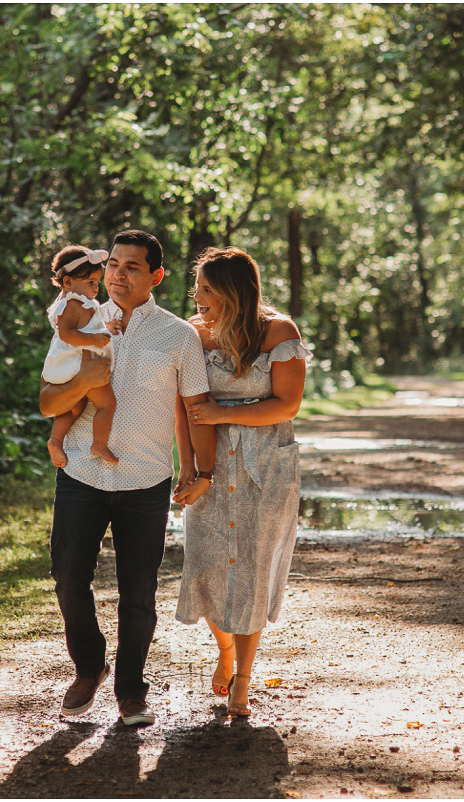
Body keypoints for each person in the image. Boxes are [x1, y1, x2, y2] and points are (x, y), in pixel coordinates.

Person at [39, 229, 215, 726]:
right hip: (80, 471)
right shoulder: (80, 319)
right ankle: (89, 666)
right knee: (69, 574)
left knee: (138, 591)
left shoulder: (180, 336)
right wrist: (83, 381)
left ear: (156, 275)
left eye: (131, 266)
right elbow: (48, 403)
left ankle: (131, 689)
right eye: (112, 263)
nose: (117, 273)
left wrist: (200, 471)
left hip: (146, 478)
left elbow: (196, 408)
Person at [173, 246, 309, 718]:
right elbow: (183, 409)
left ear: (235, 291)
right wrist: (189, 467)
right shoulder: (190, 334)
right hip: (212, 466)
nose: (198, 296)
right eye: (198, 287)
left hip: (266, 468)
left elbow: (287, 405)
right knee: (207, 567)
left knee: (251, 571)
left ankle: (243, 682)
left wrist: (220, 412)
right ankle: (225, 652)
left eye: (207, 288)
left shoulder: (278, 332)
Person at [43, 246, 122, 467]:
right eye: (90, 283)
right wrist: (94, 340)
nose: (96, 288)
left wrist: (106, 326)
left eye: (97, 282)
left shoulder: (80, 303)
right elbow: (67, 334)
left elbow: (87, 326)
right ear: (68, 282)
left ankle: (56, 441)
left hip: (74, 366)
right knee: (107, 405)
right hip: (80, 365)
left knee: (75, 407)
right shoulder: (70, 305)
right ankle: (99, 443)